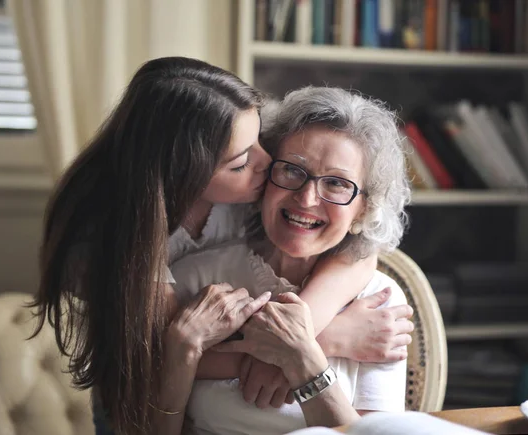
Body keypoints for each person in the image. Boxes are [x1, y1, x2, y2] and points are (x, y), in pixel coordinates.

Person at [29, 57, 413, 435]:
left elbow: (359, 251)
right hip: (132, 396)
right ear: (187, 173)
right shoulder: (112, 237)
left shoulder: (252, 188)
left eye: (260, 141)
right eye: (243, 159)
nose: (267, 161)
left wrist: (303, 330)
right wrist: (328, 339)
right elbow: (160, 354)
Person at [169, 86, 412, 434]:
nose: (307, 198)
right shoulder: (195, 277)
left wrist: (303, 360)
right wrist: (312, 341)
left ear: (365, 209)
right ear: (265, 178)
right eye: (292, 171)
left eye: (337, 184)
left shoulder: (379, 303)